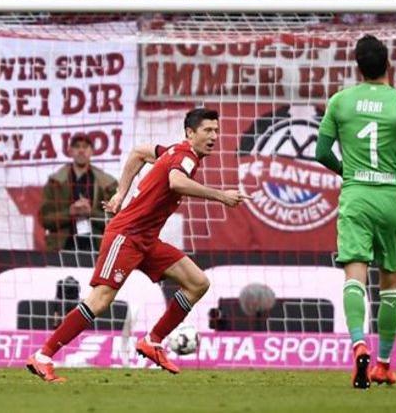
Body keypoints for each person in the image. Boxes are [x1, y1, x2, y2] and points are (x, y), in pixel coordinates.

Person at [26, 108, 247, 383]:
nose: (214, 136)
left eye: (216, 130)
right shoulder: (186, 156)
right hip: (126, 235)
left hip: (147, 240)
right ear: (190, 133)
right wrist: (220, 196)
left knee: (197, 282)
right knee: (100, 300)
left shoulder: (174, 152)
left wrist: (120, 193)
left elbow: (139, 153)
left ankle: (152, 341)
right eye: (207, 130)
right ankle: (43, 356)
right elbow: (176, 182)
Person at [314, 35, 396, 389]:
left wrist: (348, 173)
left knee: (354, 277)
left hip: (357, 196)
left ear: (358, 67)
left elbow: (321, 152)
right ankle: (383, 363)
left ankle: (357, 344)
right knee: (391, 282)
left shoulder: (340, 101)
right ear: (388, 65)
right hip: (393, 197)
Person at [39, 134, 117, 255]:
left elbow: (116, 222)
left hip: (98, 250)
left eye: (85, 147)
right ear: (70, 151)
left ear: (92, 151)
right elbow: (45, 219)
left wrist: (91, 213)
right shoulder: (55, 183)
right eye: (77, 146)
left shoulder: (107, 184)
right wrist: (70, 213)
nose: (81, 150)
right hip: (62, 249)